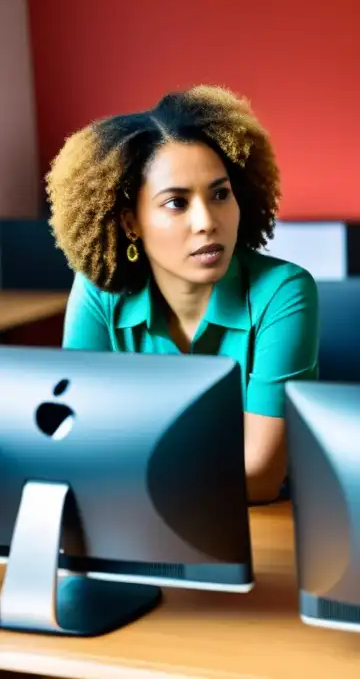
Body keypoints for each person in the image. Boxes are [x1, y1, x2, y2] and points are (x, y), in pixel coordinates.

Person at [47, 85, 319, 504]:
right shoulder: (98, 292)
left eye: (220, 194)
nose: (207, 221)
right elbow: (75, 444)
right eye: (176, 202)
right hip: (128, 526)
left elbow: (260, 475)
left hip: (255, 530)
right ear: (130, 221)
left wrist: (119, 475)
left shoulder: (283, 293)